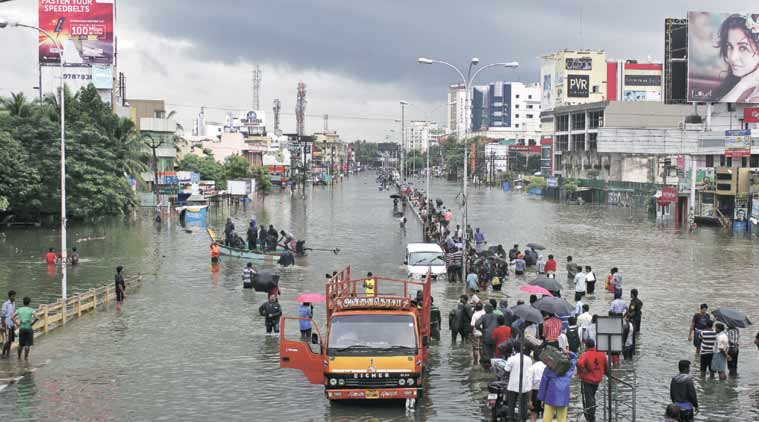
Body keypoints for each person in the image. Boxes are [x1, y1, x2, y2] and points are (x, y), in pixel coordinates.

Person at [712, 14, 759, 103]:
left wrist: (742, 85)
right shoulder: (733, 82)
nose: (732, 58)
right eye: (729, 46)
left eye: (743, 48)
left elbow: (720, 114)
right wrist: (743, 85)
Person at [538, 350, 577, 422]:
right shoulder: (568, 369)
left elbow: (543, 384)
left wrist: (542, 398)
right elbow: (575, 358)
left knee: (547, 419)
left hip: (550, 396)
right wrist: (568, 352)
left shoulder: (548, 369)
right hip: (563, 397)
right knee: (562, 419)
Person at [577, 338, 607, 422]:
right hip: (597, 380)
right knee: (592, 397)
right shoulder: (601, 354)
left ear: (586, 346)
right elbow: (606, 365)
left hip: (587, 380)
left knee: (589, 398)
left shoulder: (585, 354)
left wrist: (583, 371)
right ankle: (590, 415)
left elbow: (579, 364)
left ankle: (590, 417)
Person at [504, 342, 533, 422]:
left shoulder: (511, 359)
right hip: (524, 386)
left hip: (512, 386)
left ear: (514, 349)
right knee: (524, 406)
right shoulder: (529, 359)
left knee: (511, 405)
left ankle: (510, 419)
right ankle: (524, 419)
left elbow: (506, 372)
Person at [527, 350, 546, 422]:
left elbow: (529, 386)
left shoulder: (531, 368)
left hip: (535, 393)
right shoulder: (547, 367)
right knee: (546, 415)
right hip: (545, 392)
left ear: (533, 358)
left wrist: (529, 400)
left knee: (533, 414)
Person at [1, 290, 17, 357]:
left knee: (11, 340)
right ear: (10, 296)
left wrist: (14, 324)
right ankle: (3, 353)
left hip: (11, 324)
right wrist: (3, 326)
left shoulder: (14, 303)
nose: (14, 297)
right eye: (13, 296)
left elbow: (13, 314)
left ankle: (8, 354)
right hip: (7, 324)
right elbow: (2, 316)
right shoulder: (5, 304)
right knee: (8, 340)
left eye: (15, 296)